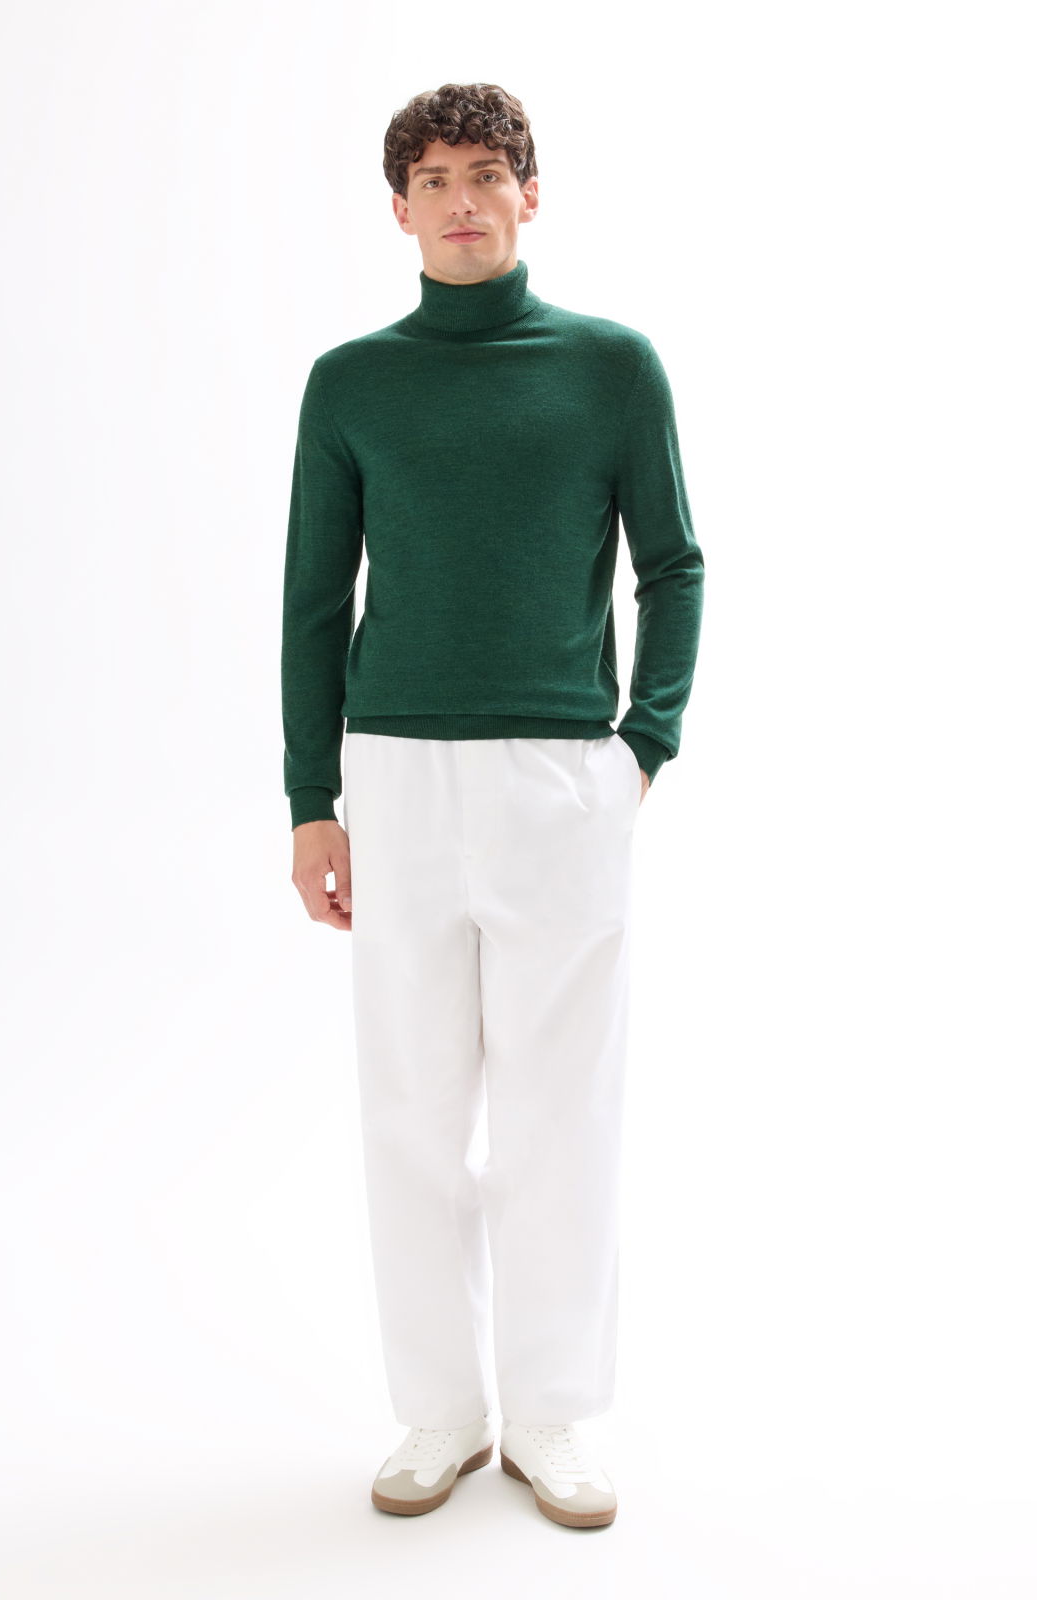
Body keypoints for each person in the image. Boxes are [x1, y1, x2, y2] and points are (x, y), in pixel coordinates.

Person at [281, 81, 704, 1529]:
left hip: (562, 779)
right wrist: (312, 797)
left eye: (487, 175)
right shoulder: (352, 383)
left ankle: (554, 1413)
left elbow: (674, 564)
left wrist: (642, 747)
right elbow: (312, 597)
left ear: (532, 193)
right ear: (398, 210)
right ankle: (441, 1410)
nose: (463, 201)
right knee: (411, 1104)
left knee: (558, 1109)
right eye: (435, 180)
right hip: (397, 775)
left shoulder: (610, 368)